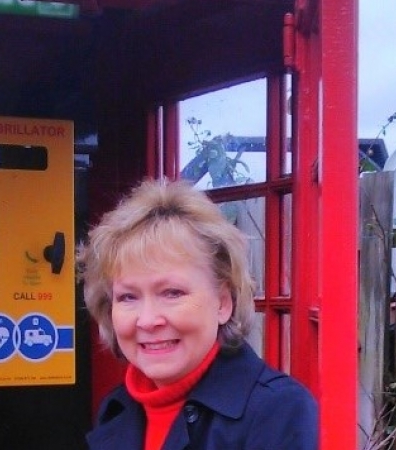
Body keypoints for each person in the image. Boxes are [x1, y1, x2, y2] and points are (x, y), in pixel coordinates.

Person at [77, 179, 318, 450]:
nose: (147, 320)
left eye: (172, 293)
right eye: (128, 297)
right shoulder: (116, 408)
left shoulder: (277, 410)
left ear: (223, 303)